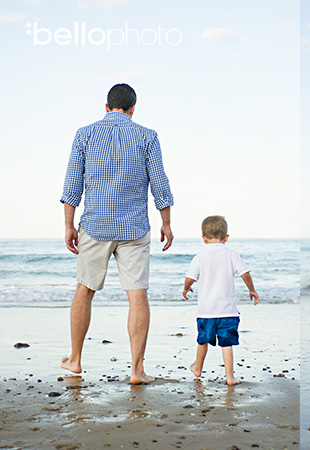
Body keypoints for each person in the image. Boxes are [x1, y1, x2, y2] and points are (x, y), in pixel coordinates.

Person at [60, 83, 174, 384]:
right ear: (133, 109)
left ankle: (75, 360)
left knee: (84, 290)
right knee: (137, 295)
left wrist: (69, 225)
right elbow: (159, 184)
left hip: (95, 226)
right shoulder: (147, 136)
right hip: (134, 227)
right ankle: (136, 370)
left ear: (106, 107)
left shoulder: (84, 134)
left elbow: (72, 185)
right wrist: (166, 223)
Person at [183, 215, 259, 385]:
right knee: (227, 343)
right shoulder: (232, 255)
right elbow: (245, 274)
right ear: (226, 238)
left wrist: (186, 288)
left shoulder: (200, 256)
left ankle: (198, 369)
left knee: (203, 340)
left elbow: (190, 278)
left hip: (206, 311)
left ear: (203, 238)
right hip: (228, 310)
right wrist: (252, 290)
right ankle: (230, 377)